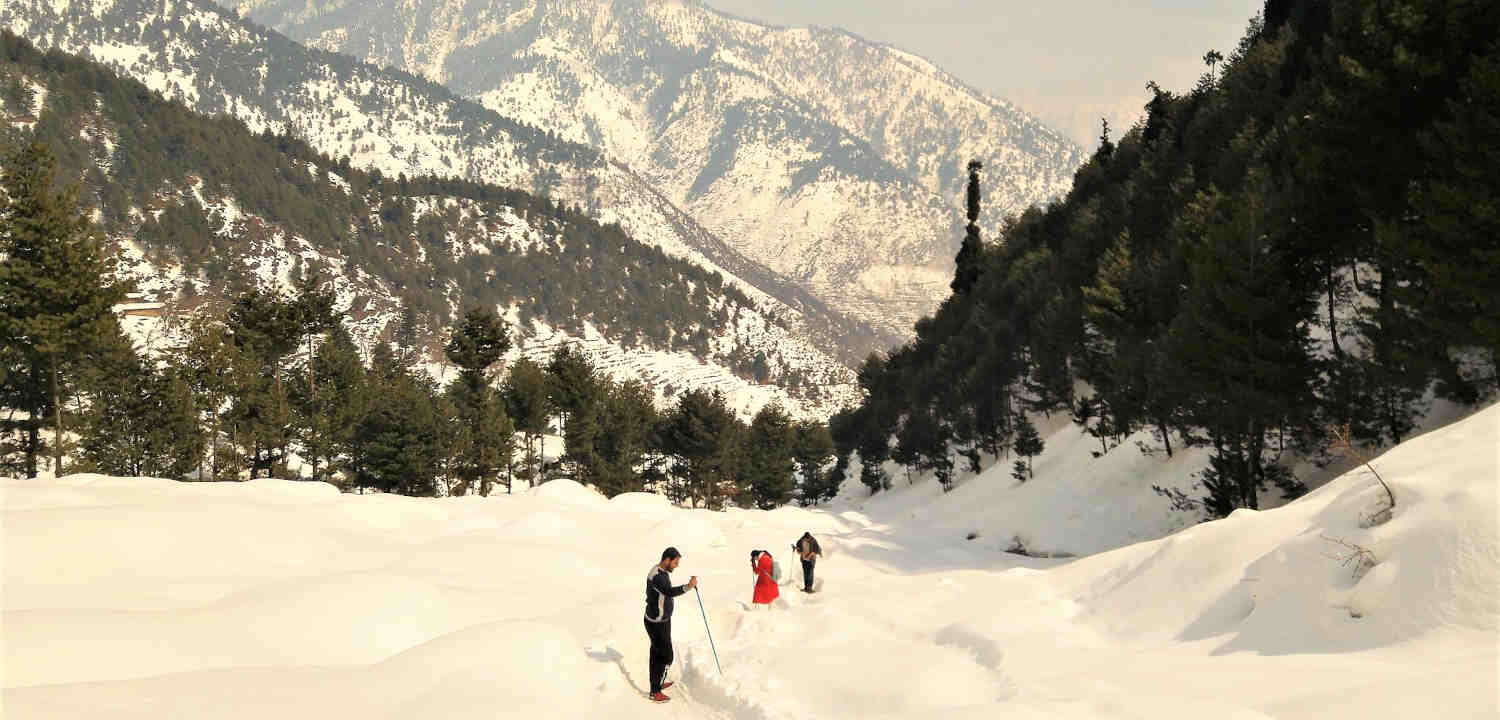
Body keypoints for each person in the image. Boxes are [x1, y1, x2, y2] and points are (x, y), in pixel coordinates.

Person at [644, 546, 696, 703]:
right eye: (675, 562)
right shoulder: (658, 576)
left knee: (657, 653)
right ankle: (655, 692)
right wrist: (688, 587)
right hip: (656, 623)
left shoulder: (662, 571)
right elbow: (668, 592)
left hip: (663, 621)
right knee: (666, 656)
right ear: (667, 560)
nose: (677, 565)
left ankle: (657, 684)